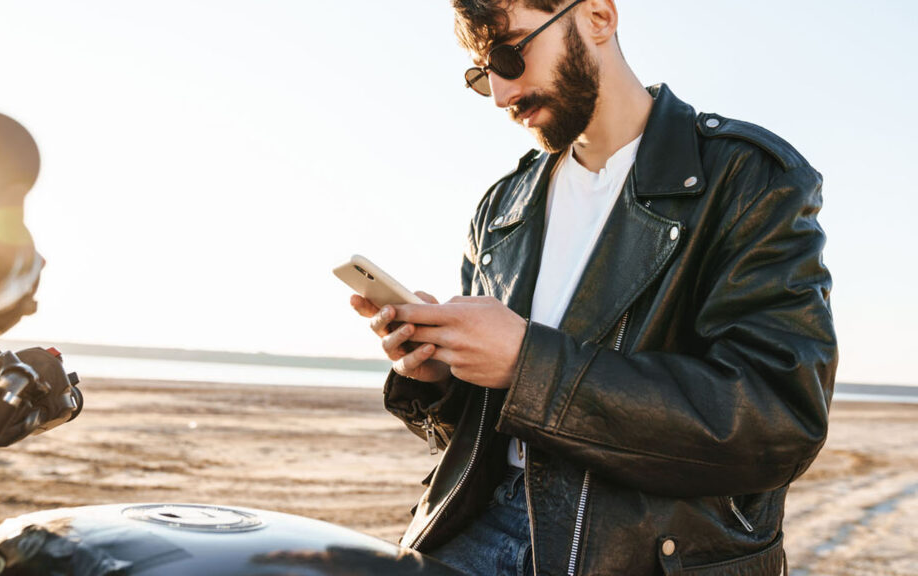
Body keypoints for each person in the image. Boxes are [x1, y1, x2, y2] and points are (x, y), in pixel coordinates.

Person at [349, 0, 836, 574]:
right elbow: (490, 426)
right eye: (486, 74)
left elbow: (776, 422)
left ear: (598, 18)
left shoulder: (746, 177)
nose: (504, 95)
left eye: (512, 54)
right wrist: (438, 375)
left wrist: (527, 361)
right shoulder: (502, 208)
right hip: (473, 525)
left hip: (641, 550)